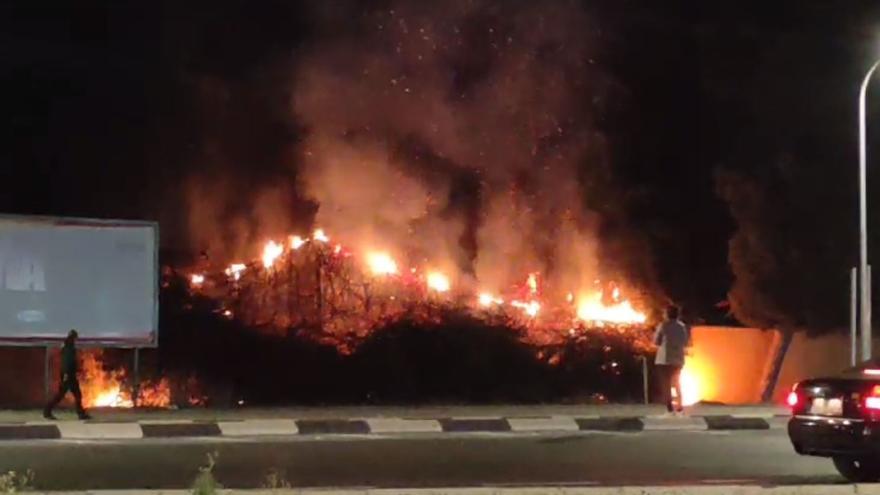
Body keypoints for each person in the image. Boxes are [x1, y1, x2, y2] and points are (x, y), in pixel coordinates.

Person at [43, 330, 91, 420]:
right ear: (73, 337)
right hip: (69, 375)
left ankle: (81, 413)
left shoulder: (67, 346)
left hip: (69, 375)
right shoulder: (69, 347)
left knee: (75, 395)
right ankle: (47, 411)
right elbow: (67, 362)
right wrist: (67, 374)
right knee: (64, 395)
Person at [653, 305, 690, 415]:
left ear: (667, 314)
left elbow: (656, 341)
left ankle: (669, 409)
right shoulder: (681, 326)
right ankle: (680, 408)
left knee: (666, 385)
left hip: (664, 359)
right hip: (678, 359)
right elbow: (685, 342)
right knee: (677, 383)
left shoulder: (663, 326)